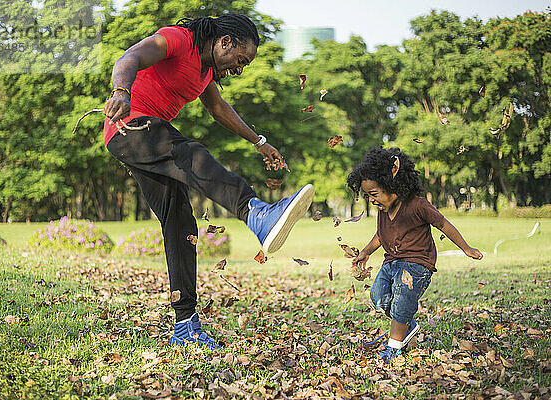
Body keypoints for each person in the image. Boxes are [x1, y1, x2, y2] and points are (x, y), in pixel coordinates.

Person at [102, 15, 314, 349]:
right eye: (240, 59)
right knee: (190, 154)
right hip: (130, 127)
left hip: (143, 139)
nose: (239, 68)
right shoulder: (178, 40)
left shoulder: (205, 72)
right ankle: (255, 213)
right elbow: (128, 57)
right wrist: (121, 92)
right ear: (225, 41)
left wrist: (260, 142)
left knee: (181, 224)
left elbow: (217, 108)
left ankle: (185, 325)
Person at [347, 147, 482, 364]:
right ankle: (405, 326)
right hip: (391, 263)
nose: (371, 200)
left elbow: (443, 224)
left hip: (417, 265)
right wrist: (364, 252)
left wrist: (465, 248)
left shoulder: (418, 205)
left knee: (402, 298)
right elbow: (380, 236)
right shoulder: (383, 211)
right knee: (378, 297)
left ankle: (395, 345)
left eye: (374, 194)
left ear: (392, 184)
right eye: (368, 195)